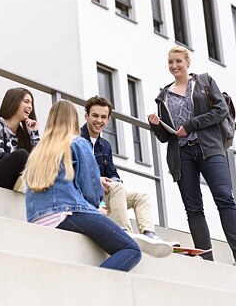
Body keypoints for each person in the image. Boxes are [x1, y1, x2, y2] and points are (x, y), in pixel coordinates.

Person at [23, 100, 172, 272]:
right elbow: (91, 192)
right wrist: (97, 208)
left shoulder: (38, 151)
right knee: (131, 249)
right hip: (67, 212)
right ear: (75, 120)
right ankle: (94, 283)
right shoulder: (77, 143)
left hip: (37, 218)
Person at [148, 45, 236, 263]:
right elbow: (165, 137)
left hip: (209, 149)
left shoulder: (204, 82)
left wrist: (191, 124)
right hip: (182, 154)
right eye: (170, 62)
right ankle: (207, 261)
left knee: (225, 199)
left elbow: (220, 111)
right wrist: (156, 125)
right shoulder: (163, 96)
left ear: (188, 62)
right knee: (193, 209)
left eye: (178, 61)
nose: (174, 66)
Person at [81, 96, 178, 246]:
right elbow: (72, 171)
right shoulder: (76, 139)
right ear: (86, 115)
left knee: (141, 196)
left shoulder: (105, 145)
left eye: (103, 117)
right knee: (117, 187)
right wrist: (96, 179)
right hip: (85, 195)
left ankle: (149, 235)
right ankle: (125, 233)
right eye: (95, 115)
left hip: (104, 194)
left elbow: (112, 173)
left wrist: (112, 182)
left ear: (108, 120)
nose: (99, 120)